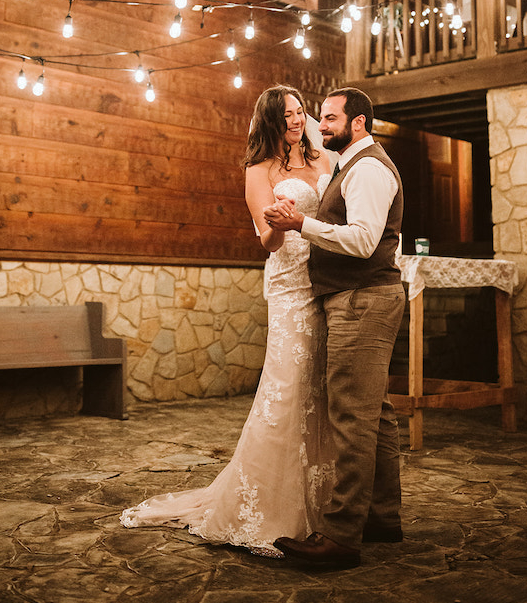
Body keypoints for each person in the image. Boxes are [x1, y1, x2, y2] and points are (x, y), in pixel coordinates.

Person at [120, 84, 335, 555]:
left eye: (300, 113)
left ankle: (328, 507)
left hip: (330, 282)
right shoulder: (259, 171)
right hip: (290, 287)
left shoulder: (326, 161)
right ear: (270, 123)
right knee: (289, 387)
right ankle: (272, 507)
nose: (297, 122)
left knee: (322, 389)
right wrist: (277, 225)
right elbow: (266, 240)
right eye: (287, 116)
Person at [264, 87, 405, 569]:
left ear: (359, 123)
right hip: (359, 297)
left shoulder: (366, 169)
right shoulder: (353, 165)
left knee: (352, 416)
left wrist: (302, 223)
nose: (319, 127)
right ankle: (383, 517)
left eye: (328, 119)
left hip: (361, 299)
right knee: (376, 411)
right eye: (318, 118)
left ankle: (342, 536)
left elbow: (365, 241)